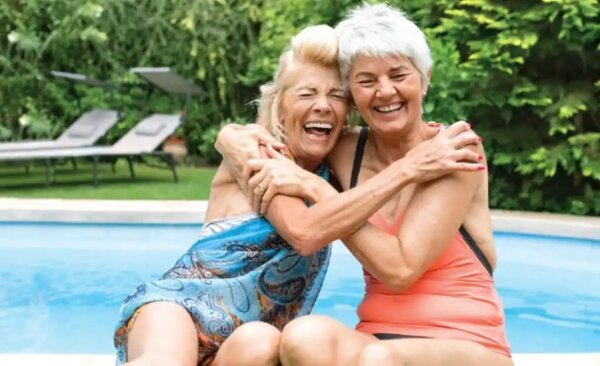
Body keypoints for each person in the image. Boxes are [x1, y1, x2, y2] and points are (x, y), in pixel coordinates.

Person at [216, 4, 512, 366]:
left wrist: (318, 189)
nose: (385, 92)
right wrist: (228, 137)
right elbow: (271, 137)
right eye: (367, 81)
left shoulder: (455, 152)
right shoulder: (344, 150)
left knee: (377, 359)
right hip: (375, 336)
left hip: (469, 345)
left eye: (399, 75)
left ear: (425, 77)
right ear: (353, 93)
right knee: (303, 335)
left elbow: (401, 270)